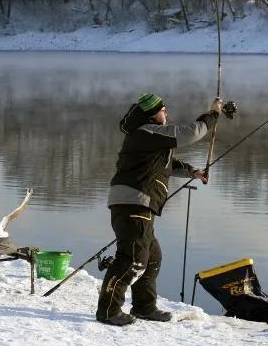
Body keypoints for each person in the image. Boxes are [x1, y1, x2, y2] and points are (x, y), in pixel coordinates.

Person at [95, 92, 222, 326]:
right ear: (153, 115)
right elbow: (191, 133)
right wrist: (213, 114)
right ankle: (108, 311)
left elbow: (166, 163)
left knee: (152, 257)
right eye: (164, 111)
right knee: (132, 261)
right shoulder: (148, 131)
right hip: (134, 203)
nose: (167, 114)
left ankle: (144, 307)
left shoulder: (147, 137)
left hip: (135, 204)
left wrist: (192, 172)